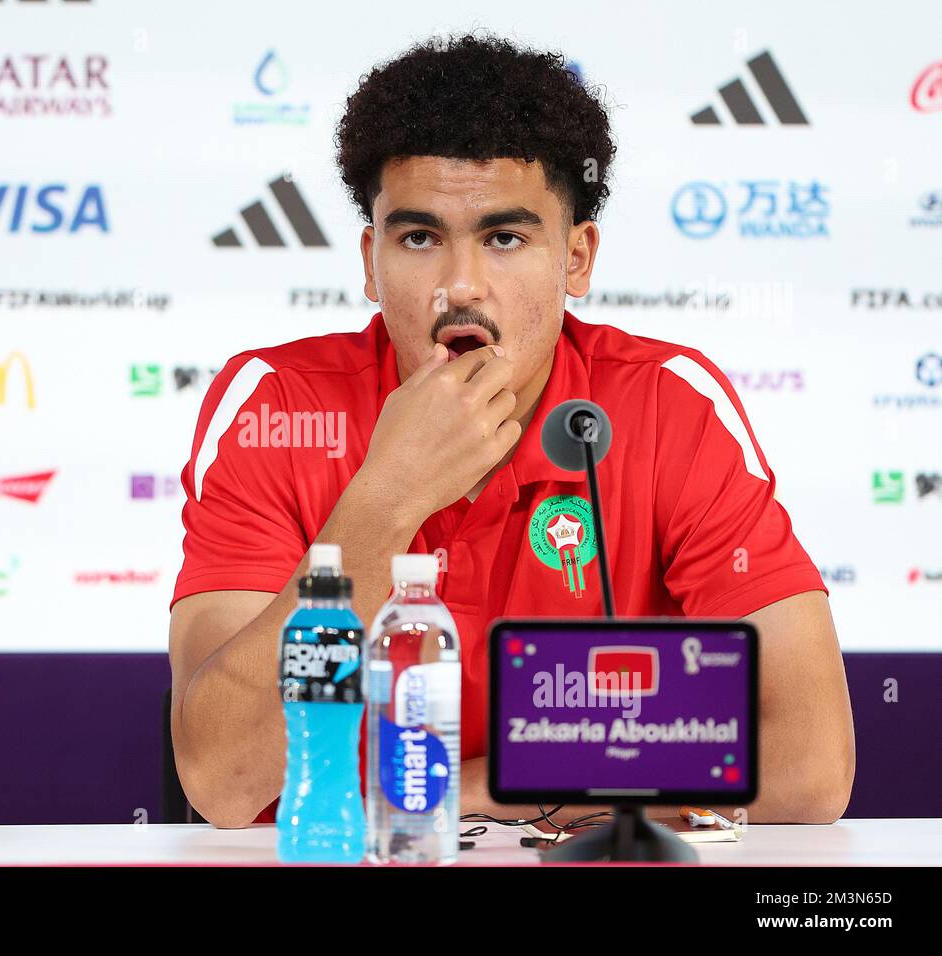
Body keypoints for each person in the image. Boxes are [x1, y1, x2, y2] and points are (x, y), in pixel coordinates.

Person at [168, 33, 854, 828]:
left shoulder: (670, 407)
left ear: (576, 257)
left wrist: (495, 788)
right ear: (370, 260)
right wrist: (386, 500)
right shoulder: (277, 408)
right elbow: (221, 780)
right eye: (419, 238)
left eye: (505, 238)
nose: (460, 285)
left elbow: (811, 763)